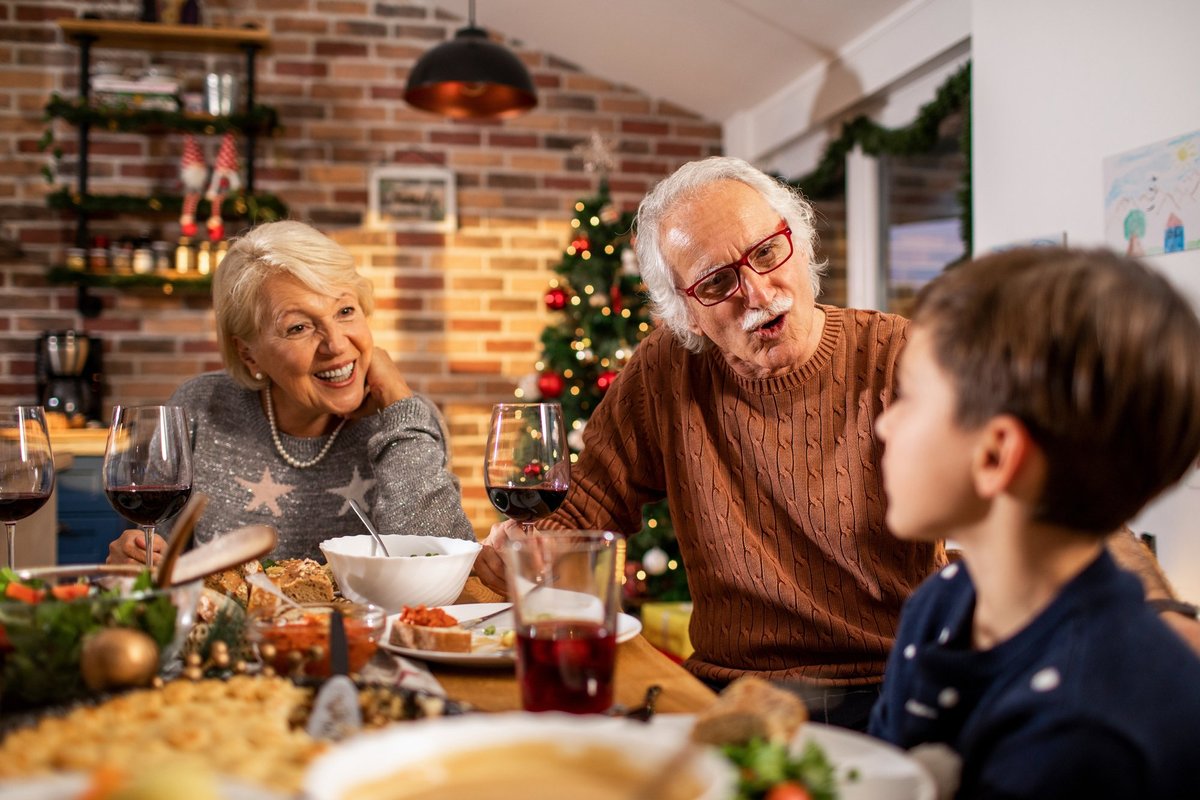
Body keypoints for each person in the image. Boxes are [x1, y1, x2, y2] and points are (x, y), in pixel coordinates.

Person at [474, 156, 1200, 730]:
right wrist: (506, 556)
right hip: (736, 688)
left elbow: (1057, 499)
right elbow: (583, 514)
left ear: (800, 242)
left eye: (767, 252)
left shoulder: (904, 359)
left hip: (890, 683)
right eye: (718, 281)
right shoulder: (667, 370)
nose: (757, 291)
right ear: (685, 314)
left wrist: (1165, 624)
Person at [867, 247, 1200, 798]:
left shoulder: (1088, 731)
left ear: (996, 456)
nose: (885, 425)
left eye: (909, 398)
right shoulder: (942, 603)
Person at [108, 220, 474, 564]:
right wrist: (136, 557)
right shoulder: (201, 409)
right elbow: (156, 556)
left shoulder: (407, 422)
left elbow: (442, 563)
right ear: (247, 352)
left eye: (345, 310)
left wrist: (398, 406)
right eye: (298, 327)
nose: (336, 344)